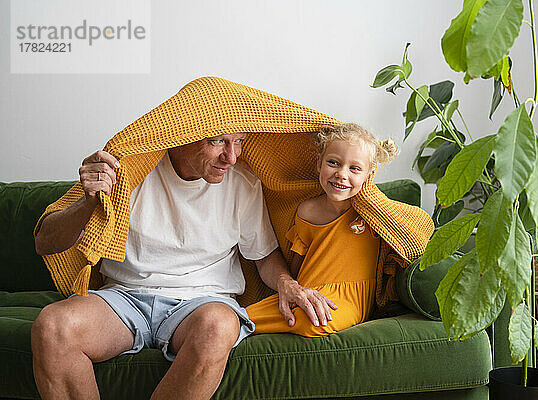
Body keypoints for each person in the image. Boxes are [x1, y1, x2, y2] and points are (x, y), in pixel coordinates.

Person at [31, 133, 337, 400]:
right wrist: (88, 201)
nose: (231, 156)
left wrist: (289, 285)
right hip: (123, 298)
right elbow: (45, 242)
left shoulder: (242, 183)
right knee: (53, 327)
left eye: (239, 142)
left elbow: (264, 256)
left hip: (202, 303)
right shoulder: (131, 171)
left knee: (219, 327)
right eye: (218, 142)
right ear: (186, 134)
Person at [246, 123, 398, 336]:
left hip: (348, 299)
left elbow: (415, 226)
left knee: (316, 321)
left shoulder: (374, 212)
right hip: (309, 290)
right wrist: (293, 290)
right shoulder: (306, 211)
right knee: (240, 317)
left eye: (354, 168)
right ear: (319, 163)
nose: (341, 174)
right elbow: (296, 263)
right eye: (333, 163)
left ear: (369, 174)